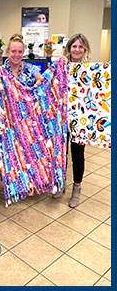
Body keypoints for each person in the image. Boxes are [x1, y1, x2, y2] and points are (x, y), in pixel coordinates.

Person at [52, 33, 91, 208]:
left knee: (77, 155)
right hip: (62, 116)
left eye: (80, 47)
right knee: (61, 153)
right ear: (69, 49)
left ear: (85, 49)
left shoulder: (90, 70)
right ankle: (61, 183)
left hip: (80, 118)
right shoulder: (62, 67)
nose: (77, 50)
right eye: (74, 46)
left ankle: (77, 188)